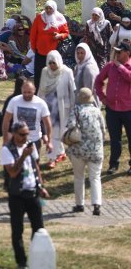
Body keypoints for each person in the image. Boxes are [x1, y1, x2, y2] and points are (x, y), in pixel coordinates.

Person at [1, 121, 49, 269]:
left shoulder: (30, 145)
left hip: (33, 193)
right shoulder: (7, 150)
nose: (25, 137)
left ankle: (37, 257)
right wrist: (23, 156)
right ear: (14, 134)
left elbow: (36, 166)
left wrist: (40, 186)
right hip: (17, 196)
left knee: (39, 228)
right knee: (17, 230)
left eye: (27, 134)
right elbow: (13, 173)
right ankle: (21, 262)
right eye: (22, 134)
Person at [94, 40, 131, 175]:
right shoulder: (110, 66)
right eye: (115, 51)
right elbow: (98, 81)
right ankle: (113, 164)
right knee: (115, 139)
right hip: (112, 110)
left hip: (128, 110)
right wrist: (102, 97)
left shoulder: (127, 66)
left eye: (119, 52)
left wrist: (120, 67)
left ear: (127, 53)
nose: (116, 54)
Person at [66, 87, 105, 215]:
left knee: (79, 177)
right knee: (95, 177)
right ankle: (97, 205)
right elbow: (103, 129)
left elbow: (71, 126)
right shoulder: (97, 111)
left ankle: (79, 204)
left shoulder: (76, 110)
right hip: (96, 150)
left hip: (79, 149)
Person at [38, 50, 76, 168]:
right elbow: (41, 89)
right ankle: (52, 158)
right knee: (52, 133)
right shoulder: (45, 72)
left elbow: (72, 91)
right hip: (48, 108)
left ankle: (60, 153)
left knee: (61, 133)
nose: (52, 66)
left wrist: (74, 109)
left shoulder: (67, 72)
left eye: (54, 63)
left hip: (63, 108)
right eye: (50, 63)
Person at [2, 80, 54, 157]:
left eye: (29, 92)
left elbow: (48, 123)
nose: (26, 94)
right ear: (21, 90)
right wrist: (5, 139)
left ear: (34, 91)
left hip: (34, 140)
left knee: (34, 165)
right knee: (17, 165)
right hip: (17, 140)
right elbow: (6, 120)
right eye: (24, 92)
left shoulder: (41, 103)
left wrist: (49, 141)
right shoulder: (14, 101)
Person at [30, 0, 69, 89]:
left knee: (53, 72)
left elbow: (66, 33)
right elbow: (33, 34)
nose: (48, 10)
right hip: (40, 50)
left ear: (54, 9)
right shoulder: (40, 17)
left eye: (50, 8)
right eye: (46, 8)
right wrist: (33, 47)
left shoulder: (60, 18)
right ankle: (38, 91)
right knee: (39, 73)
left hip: (54, 50)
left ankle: (53, 89)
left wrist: (59, 35)